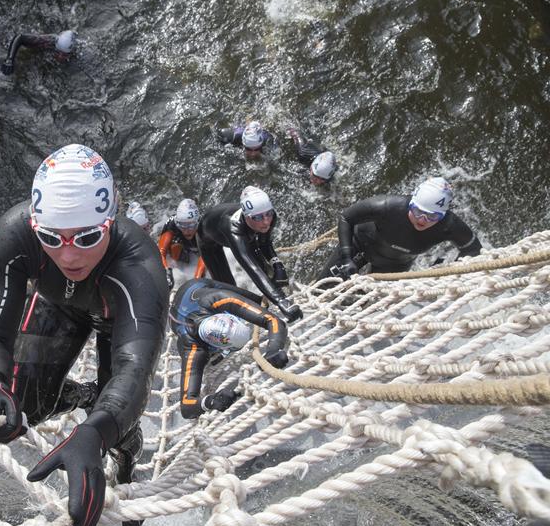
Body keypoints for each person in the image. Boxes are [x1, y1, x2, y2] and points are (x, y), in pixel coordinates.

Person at [0, 144, 169, 526]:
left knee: (117, 421)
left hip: (116, 316)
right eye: (51, 237)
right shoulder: (14, 234)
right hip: (60, 304)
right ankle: (85, 396)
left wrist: (94, 433)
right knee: (24, 407)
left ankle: (128, 461)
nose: (68, 255)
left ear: (110, 221)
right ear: (34, 227)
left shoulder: (141, 265)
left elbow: (136, 369)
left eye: (85, 238)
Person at [316, 177, 483, 282]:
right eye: (418, 212)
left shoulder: (449, 225)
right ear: (411, 203)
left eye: (432, 217)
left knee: (367, 302)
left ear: (442, 216)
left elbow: (473, 249)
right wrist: (346, 256)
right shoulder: (389, 206)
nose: (422, 220)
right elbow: (346, 217)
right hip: (359, 246)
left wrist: (451, 272)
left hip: (395, 264)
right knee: (324, 287)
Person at [169, 278, 289, 419]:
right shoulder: (192, 348)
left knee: (259, 301)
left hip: (197, 286)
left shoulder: (218, 298)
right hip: (183, 308)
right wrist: (211, 401)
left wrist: (273, 349)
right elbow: (187, 407)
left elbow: (273, 321)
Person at [197, 186, 302, 323]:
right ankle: (229, 321)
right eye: (258, 217)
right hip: (209, 242)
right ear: (246, 216)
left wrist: (278, 265)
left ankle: (266, 300)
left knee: (272, 273)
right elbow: (252, 269)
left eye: (268, 214)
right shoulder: (234, 229)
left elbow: (264, 244)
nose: (265, 222)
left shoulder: (269, 216)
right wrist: (281, 300)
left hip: (247, 231)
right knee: (230, 289)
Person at [157, 198, 207, 289]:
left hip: (201, 248)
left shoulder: (204, 226)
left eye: (191, 226)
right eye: (183, 226)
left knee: (204, 269)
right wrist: (167, 272)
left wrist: (196, 280)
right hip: (183, 247)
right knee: (175, 245)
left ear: (197, 222)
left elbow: (205, 255)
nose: (187, 231)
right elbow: (161, 252)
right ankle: (175, 265)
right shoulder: (172, 224)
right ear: (177, 223)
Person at [1, 29, 77, 75]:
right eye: (58, 52)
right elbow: (19, 37)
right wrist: (9, 60)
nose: (60, 57)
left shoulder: (77, 53)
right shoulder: (48, 40)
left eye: (64, 55)